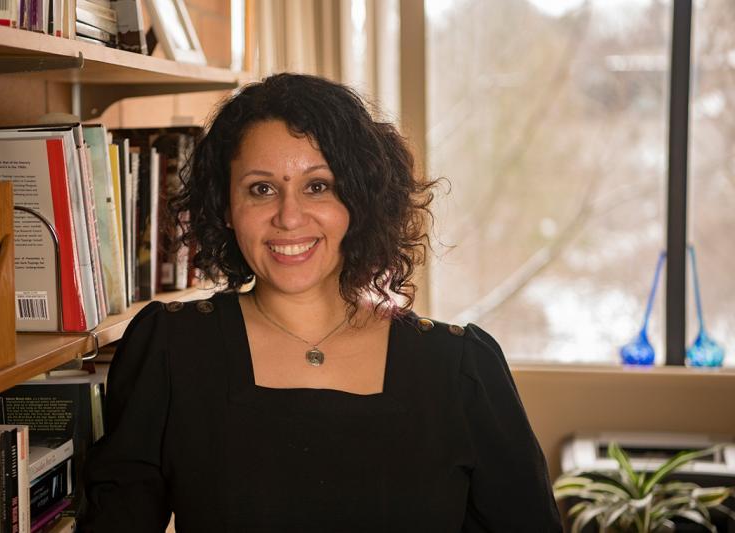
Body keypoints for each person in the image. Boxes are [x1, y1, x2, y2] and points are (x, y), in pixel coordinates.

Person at [79, 73, 561, 532]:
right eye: (261, 189)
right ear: (226, 208)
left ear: (360, 202)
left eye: (318, 186)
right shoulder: (171, 348)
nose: (289, 218)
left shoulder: (461, 368)